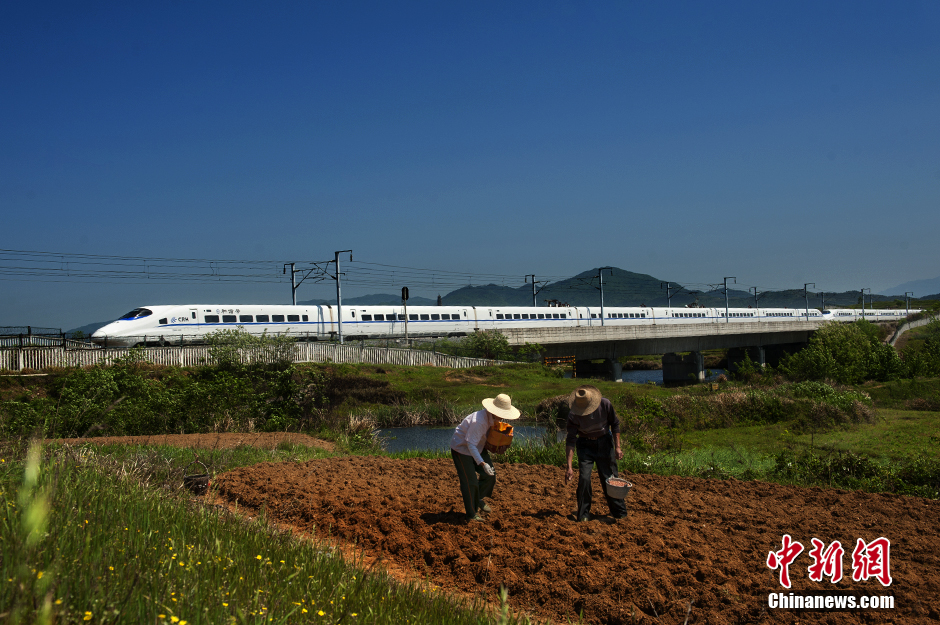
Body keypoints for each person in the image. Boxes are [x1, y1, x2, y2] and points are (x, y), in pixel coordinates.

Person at [450, 393, 520, 522]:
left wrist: (498, 448)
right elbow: (470, 444)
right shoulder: (480, 421)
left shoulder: (494, 421)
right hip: (462, 449)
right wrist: (482, 464)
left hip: (477, 447)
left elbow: (486, 440)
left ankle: (477, 499)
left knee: (490, 476)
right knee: (470, 482)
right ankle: (471, 514)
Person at [564, 384, 628, 522]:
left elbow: (615, 424)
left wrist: (617, 447)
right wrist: (569, 466)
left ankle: (619, 511)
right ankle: (583, 514)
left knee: (610, 478)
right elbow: (570, 440)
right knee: (584, 478)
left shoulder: (605, 404)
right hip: (585, 445)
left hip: (604, 443)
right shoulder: (573, 414)